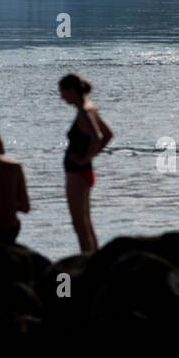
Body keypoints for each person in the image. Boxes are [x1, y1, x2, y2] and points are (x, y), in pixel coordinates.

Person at [59, 73, 114, 254]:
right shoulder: (90, 108)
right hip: (84, 172)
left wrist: (86, 158)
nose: (62, 97)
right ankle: (95, 259)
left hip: (77, 173)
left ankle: (86, 263)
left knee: (79, 223)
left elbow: (96, 136)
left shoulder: (84, 111)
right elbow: (107, 135)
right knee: (85, 221)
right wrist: (91, 157)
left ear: (72, 91)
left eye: (63, 93)